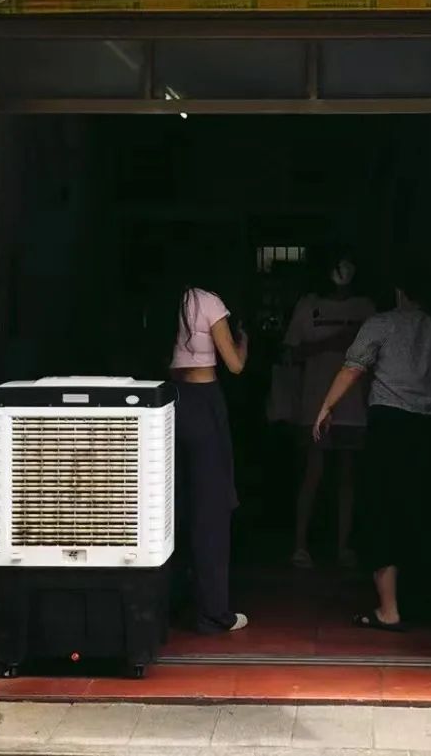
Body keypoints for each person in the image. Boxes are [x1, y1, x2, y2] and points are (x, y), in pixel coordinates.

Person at [313, 277, 431, 632]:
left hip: (389, 429)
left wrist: (327, 406)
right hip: (429, 430)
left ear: (398, 292)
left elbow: (353, 367)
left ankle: (389, 610)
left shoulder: (380, 324)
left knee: (381, 513)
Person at [161, 245, 250, 634]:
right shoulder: (207, 301)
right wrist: (244, 339)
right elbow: (235, 364)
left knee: (170, 505)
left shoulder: (161, 301)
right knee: (211, 508)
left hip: (167, 402)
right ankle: (213, 611)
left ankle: (168, 601)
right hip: (203, 401)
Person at [283, 249, 374, 569]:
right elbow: (291, 353)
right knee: (313, 473)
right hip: (314, 403)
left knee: (348, 477)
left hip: (354, 405)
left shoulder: (365, 307)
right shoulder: (308, 306)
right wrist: (334, 342)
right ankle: (300, 545)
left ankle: (344, 547)